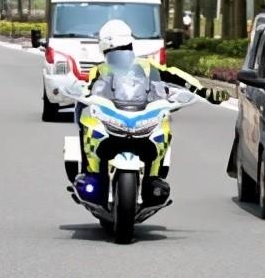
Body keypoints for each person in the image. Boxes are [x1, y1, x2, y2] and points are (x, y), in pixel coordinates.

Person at [74, 19, 228, 201]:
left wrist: (205, 92)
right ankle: (89, 171)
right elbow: (86, 90)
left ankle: (154, 178)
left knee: (163, 129)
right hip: (113, 120)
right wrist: (79, 94)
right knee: (86, 120)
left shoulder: (146, 67)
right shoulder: (101, 70)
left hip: (142, 118)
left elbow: (174, 76)